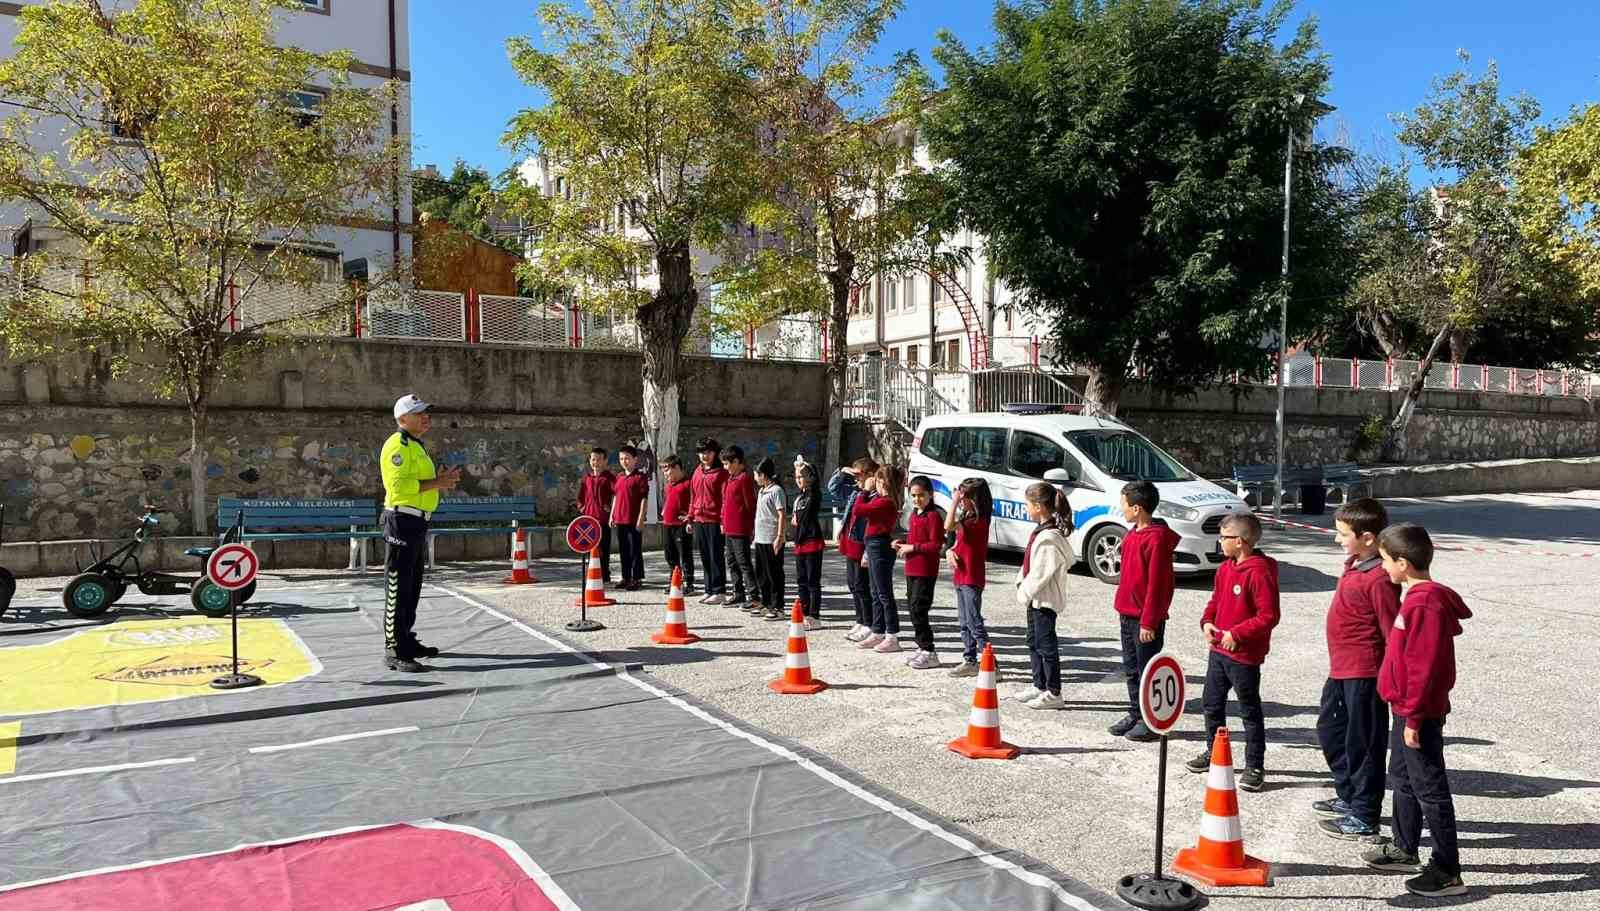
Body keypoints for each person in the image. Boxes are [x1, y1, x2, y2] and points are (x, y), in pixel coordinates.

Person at [1362, 523, 1471, 899]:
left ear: (1404, 564)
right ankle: (1404, 847)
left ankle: (1447, 870)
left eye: (1386, 562)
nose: (1382, 569)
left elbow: (1423, 669)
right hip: (1404, 707)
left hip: (1417, 712)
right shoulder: (1413, 596)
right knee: (1404, 778)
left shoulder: (1424, 603)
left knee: (1430, 788)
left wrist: (1414, 718)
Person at [1316, 497, 1402, 842]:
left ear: (1368, 537)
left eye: (1343, 534)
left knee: (1364, 743)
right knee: (1330, 731)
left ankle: (1365, 814)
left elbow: (1390, 629)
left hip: (1365, 673)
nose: (1338, 539)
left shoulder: (1380, 578)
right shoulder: (1355, 563)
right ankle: (1349, 794)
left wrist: (1390, 677)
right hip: (1341, 669)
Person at [1189, 512, 1281, 792]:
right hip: (1218, 652)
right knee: (1211, 704)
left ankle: (1254, 765)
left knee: (1249, 710)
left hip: (1243, 656)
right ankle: (1213, 751)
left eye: (1224, 537)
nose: (1220, 541)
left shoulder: (1259, 571)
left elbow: (1269, 616)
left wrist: (1236, 634)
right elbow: (1215, 600)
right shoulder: (1225, 568)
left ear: (1240, 541)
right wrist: (1207, 622)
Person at [379, 394, 461, 673]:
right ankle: (394, 649)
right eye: (418, 413)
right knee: (398, 586)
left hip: (415, 522)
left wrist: (438, 482)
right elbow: (399, 487)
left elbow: (419, 484)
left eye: (426, 412)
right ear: (402, 419)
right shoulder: (397, 445)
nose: (425, 417)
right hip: (401, 520)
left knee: (412, 586)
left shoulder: (416, 445)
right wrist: (437, 482)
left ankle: (406, 639)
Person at [1111, 480, 1180, 742]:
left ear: (1137, 508)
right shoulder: (1133, 533)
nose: (1122, 510)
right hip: (1127, 613)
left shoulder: (1157, 540)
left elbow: (1158, 585)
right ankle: (1135, 711)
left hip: (1144, 619)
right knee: (1131, 668)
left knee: (1146, 670)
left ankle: (1151, 720)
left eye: (1124, 505)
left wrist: (1149, 622)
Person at [1014, 482, 1073, 709]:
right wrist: (1022, 583)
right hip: (1034, 599)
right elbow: (1029, 563)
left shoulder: (1050, 537)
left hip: (1044, 599)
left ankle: (1054, 692)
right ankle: (1039, 684)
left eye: (1028, 505)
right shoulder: (1040, 531)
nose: (1027, 508)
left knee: (1047, 645)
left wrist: (1025, 590)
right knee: (1033, 642)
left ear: (1039, 506)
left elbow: (1041, 572)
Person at [852, 465, 905, 653]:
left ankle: (892, 634)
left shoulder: (886, 502)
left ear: (885, 482)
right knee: (875, 591)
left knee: (884, 593)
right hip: (873, 545)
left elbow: (858, 510)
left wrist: (864, 490)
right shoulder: (882, 500)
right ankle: (878, 630)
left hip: (880, 546)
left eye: (879, 481)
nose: (877, 484)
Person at [896, 475, 945, 669]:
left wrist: (912, 548)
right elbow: (915, 539)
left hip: (926, 570)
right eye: (913, 495)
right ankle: (920, 646)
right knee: (911, 607)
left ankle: (929, 650)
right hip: (912, 568)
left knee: (919, 609)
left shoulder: (933, 516)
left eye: (921, 495)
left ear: (930, 495)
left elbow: (935, 545)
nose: (917, 499)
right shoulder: (915, 514)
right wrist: (901, 544)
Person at [945, 477, 992, 678]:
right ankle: (969, 659)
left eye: (964, 497)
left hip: (972, 577)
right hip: (961, 575)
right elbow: (957, 541)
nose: (961, 500)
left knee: (974, 621)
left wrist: (954, 501)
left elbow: (948, 525)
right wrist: (950, 550)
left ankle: (991, 662)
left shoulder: (978, 521)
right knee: (964, 621)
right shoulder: (967, 519)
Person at [831, 457, 878, 641]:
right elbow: (833, 488)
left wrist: (866, 489)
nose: (857, 479)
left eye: (860, 475)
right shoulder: (855, 492)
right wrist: (842, 471)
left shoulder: (874, 496)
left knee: (861, 585)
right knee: (853, 584)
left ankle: (868, 622)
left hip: (862, 544)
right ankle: (860, 619)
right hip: (850, 543)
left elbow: (863, 514)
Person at [689, 438, 728, 604]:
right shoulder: (697, 471)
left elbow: (725, 499)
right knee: (704, 555)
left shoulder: (721, 473)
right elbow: (693, 496)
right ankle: (708, 588)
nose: (704, 456)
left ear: (715, 453)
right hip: (699, 519)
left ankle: (719, 590)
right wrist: (690, 518)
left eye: (708, 452)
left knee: (715, 555)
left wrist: (722, 521)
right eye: (701, 452)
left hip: (714, 519)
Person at [720, 445, 758, 608]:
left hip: (741, 528)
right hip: (729, 528)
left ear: (736, 462)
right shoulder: (730, 479)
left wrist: (751, 528)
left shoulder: (744, 479)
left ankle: (754, 595)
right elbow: (725, 503)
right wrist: (722, 522)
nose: (725, 468)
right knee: (731, 561)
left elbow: (750, 505)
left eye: (727, 464)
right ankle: (738, 593)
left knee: (744, 562)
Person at [751, 458, 787, 621]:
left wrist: (780, 536)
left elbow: (781, 514)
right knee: (762, 573)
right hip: (760, 538)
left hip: (772, 538)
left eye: (756, 475)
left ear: (763, 475)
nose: (755, 478)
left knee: (774, 573)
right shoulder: (761, 491)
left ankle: (778, 606)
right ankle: (766, 603)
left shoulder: (776, 491)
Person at [791, 461, 825, 630]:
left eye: (802, 476)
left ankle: (814, 616)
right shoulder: (799, 497)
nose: (799, 479)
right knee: (801, 581)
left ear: (811, 478)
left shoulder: (814, 494)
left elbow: (816, 483)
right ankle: (805, 613)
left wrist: (807, 465)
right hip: (800, 543)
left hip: (812, 542)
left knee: (813, 581)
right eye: (797, 476)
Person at [611, 445, 650, 590]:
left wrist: (641, 518)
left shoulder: (640, 477)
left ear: (635, 459)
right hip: (620, 519)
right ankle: (625, 577)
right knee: (623, 550)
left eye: (627, 458)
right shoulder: (619, 477)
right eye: (621, 458)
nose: (624, 461)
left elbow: (644, 499)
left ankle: (637, 577)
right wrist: (612, 515)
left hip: (633, 520)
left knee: (635, 550)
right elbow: (615, 497)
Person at [576, 447, 615, 584]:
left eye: (599, 459)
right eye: (593, 459)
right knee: (590, 548)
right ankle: (592, 573)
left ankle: (604, 575)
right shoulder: (587, 478)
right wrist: (582, 508)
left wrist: (611, 510)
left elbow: (616, 494)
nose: (595, 462)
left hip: (603, 520)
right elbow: (580, 496)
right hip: (589, 520)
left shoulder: (609, 477)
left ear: (605, 461)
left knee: (604, 549)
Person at [659, 455, 695, 594]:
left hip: (681, 525)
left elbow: (693, 502)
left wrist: (690, 519)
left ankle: (689, 583)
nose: (666, 475)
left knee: (685, 554)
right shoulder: (668, 486)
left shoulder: (688, 484)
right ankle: (675, 580)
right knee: (670, 555)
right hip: (667, 524)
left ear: (677, 468)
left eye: (667, 471)